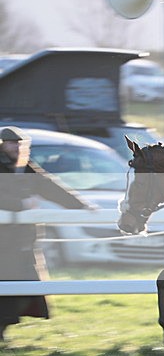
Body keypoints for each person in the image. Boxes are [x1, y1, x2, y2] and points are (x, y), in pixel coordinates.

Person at [0, 126, 93, 341]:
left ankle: (3, 331)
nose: (19, 148)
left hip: (21, 243)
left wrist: (82, 208)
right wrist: (20, 204)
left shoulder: (25, 167)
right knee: (8, 288)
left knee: (25, 288)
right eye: (14, 143)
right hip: (3, 244)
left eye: (23, 144)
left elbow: (50, 186)